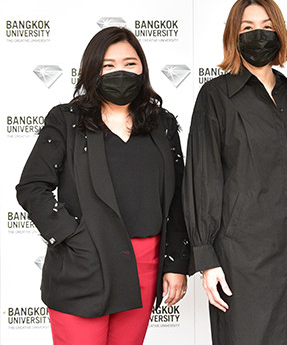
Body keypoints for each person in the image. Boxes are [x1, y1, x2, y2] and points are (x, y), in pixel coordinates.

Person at [16, 27, 190, 345]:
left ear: (142, 68)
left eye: (129, 63)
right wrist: (72, 236)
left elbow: (178, 197)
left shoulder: (162, 123)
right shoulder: (66, 120)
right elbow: (32, 186)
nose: (120, 72)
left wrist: (175, 263)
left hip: (145, 263)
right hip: (84, 262)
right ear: (92, 71)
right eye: (108, 65)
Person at [183, 0, 287, 344]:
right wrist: (206, 256)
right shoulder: (216, 96)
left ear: (280, 32)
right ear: (233, 36)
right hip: (243, 259)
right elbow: (203, 178)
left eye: (267, 26)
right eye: (247, 28)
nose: (259, 34)